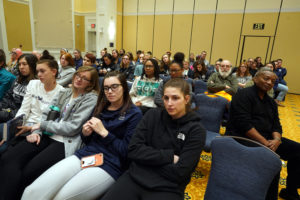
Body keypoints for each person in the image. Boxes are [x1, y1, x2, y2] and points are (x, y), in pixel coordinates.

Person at [22, 71, 142, 200]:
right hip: (86, 155)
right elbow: (88, 140)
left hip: (110, 164)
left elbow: (127, 152)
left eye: (114, 86)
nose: (110, 91)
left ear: (124, 87)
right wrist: (85, 133)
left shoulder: (134, 114)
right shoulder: (101, 107)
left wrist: (104, 133)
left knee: (61, 198)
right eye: (106, 88)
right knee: (32, 191)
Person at [0, 65, 99, 200]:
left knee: (28, 171)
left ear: (91, 84)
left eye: (84, 78)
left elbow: (72, 128)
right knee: (8, 158)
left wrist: (42, 125)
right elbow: (47, 113)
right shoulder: (65, 92)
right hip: (46, 133)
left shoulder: (91, 98)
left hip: (64, 141)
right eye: (78, 75)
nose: (79, 79)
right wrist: (38, 132)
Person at [102, 78, 206, 200]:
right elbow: (133, 150)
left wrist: (145, 160)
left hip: (167, 187)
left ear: (187, 99)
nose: (169, 103)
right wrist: (169, 156)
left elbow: (180, 172)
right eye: (166, 98)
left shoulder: (196, 130)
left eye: (175, 98)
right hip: (134, 178)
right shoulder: (152, 115)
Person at [226, 69, 300, 200]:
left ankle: (290, 192)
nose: (269, 82)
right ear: (255, 79)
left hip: (267, 139)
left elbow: (276, 124)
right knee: (272, 161)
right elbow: (245, 126)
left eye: (273, 81)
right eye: (266, 78)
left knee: (298, 150)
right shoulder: (243, 95)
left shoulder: (271, 102)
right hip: (240, 137)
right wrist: (266, 143)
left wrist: (277, 139)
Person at [0, 54, 37, 123]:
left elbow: (27, 109)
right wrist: (1, 106)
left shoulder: (36, 83)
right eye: (19, 64)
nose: (21, 67)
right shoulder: (18, 79)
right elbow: (8, 96)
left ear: (32, 65)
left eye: (24, 64)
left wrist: (6, 113)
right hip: (9, 110)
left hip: (19, 115)